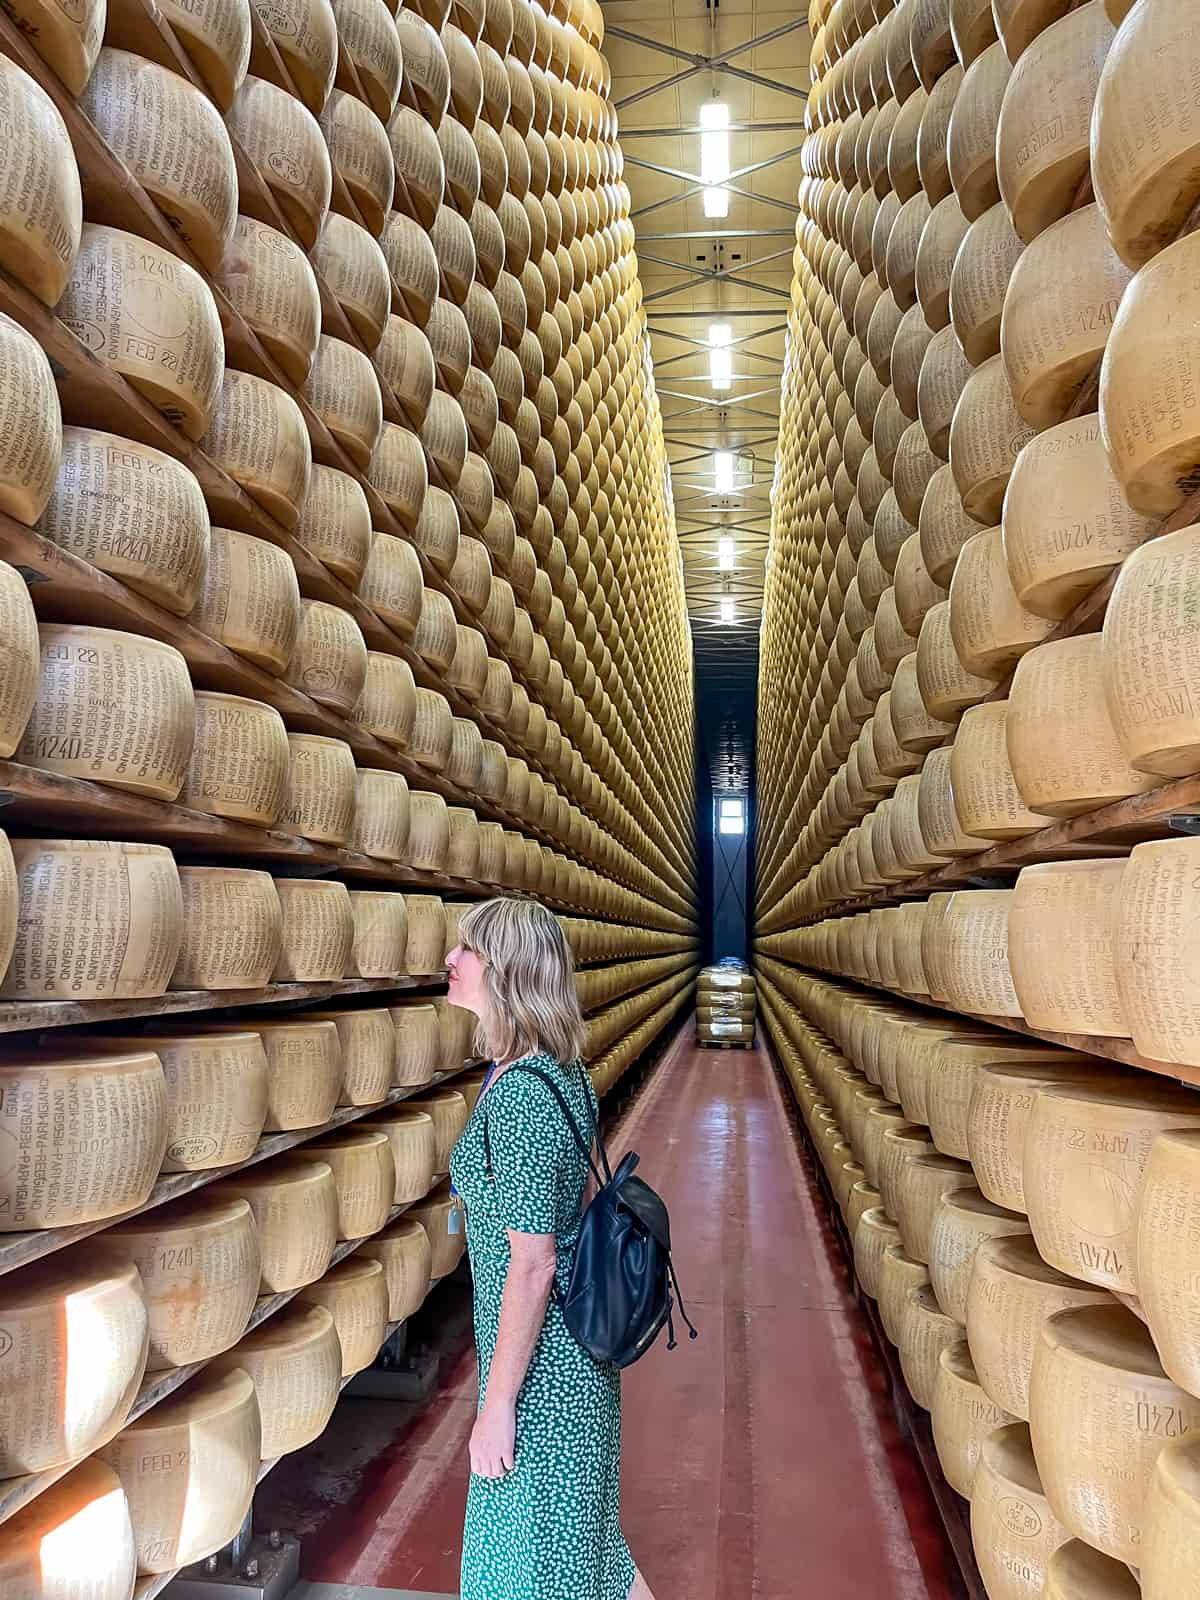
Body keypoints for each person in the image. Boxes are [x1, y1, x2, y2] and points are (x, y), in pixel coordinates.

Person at [446, 896, 657, 1600]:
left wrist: (498, 1405)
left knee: (543, 1566)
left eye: (467, 950)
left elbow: (532, 1264)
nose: (451, 961)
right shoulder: (551, 1071)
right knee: (587, 1554)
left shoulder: (521, 1100)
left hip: (547, 1379)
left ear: (503, 971)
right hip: (565, 1357)